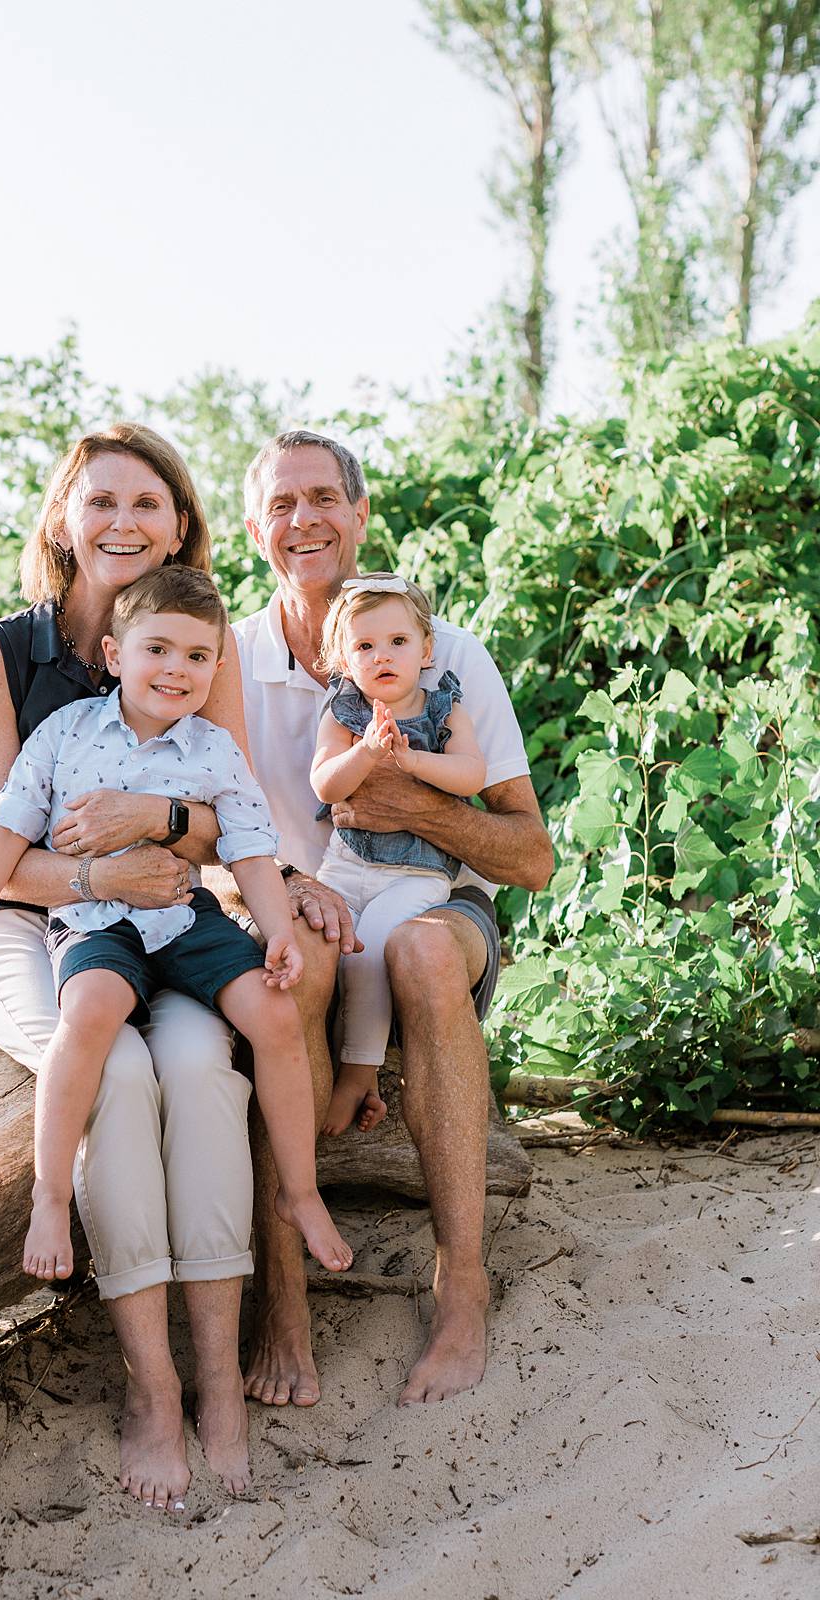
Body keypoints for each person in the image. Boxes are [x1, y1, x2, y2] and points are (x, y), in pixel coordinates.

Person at [0, 423, 262, 1507]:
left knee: (197, 1067)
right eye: (101, 501)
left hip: (155, 926)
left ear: (180, 524)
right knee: (113, 1074)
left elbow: (232, 820)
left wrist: (160, 819)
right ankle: (152, 1387)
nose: (124, 521)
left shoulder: (189, 636)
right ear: (63, 520)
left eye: (149, 503)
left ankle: (219, 1377)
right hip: (21, 920)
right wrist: (102, 881)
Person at [232, 430, 553, 1409]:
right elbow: (200, 824)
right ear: (256, 531)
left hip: (432, 902)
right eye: (283, 505)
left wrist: (419, 807)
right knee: (302, 962)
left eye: (325, 497)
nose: (306, 520)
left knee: (416, 951)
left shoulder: (442, 652)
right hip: (291, 899)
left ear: (361, 514)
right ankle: (280, 1295)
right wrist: (280, 886)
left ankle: (461, 1280)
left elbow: (532, 857)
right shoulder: (229, 659)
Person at [0, 566, 352, 1288]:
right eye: (157, 650)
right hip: (93, 918)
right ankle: (51, 1196)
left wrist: (277, 930)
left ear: (217, 667)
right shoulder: (66, 733)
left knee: (275, 1016)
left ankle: (300, 1191)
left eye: (195, 657)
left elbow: (248, 848)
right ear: (116, 656)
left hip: (183, 917)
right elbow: (3, 827)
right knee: (89, 1016)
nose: (175, 670)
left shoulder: (212, 749)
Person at [310, 574, 486, 1135]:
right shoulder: (344, 712)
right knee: (322, 955)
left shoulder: (442, 708)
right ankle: (346, 1073)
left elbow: (470, 775)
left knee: (371, 949)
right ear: (343, 658)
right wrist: (365, 751)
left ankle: (356, 1078)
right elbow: (325, 785)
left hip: (415, 874)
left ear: (426, 649)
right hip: (344, 865)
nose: (382, 656)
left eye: (398, 642)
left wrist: (413, 763)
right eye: (364, 646)